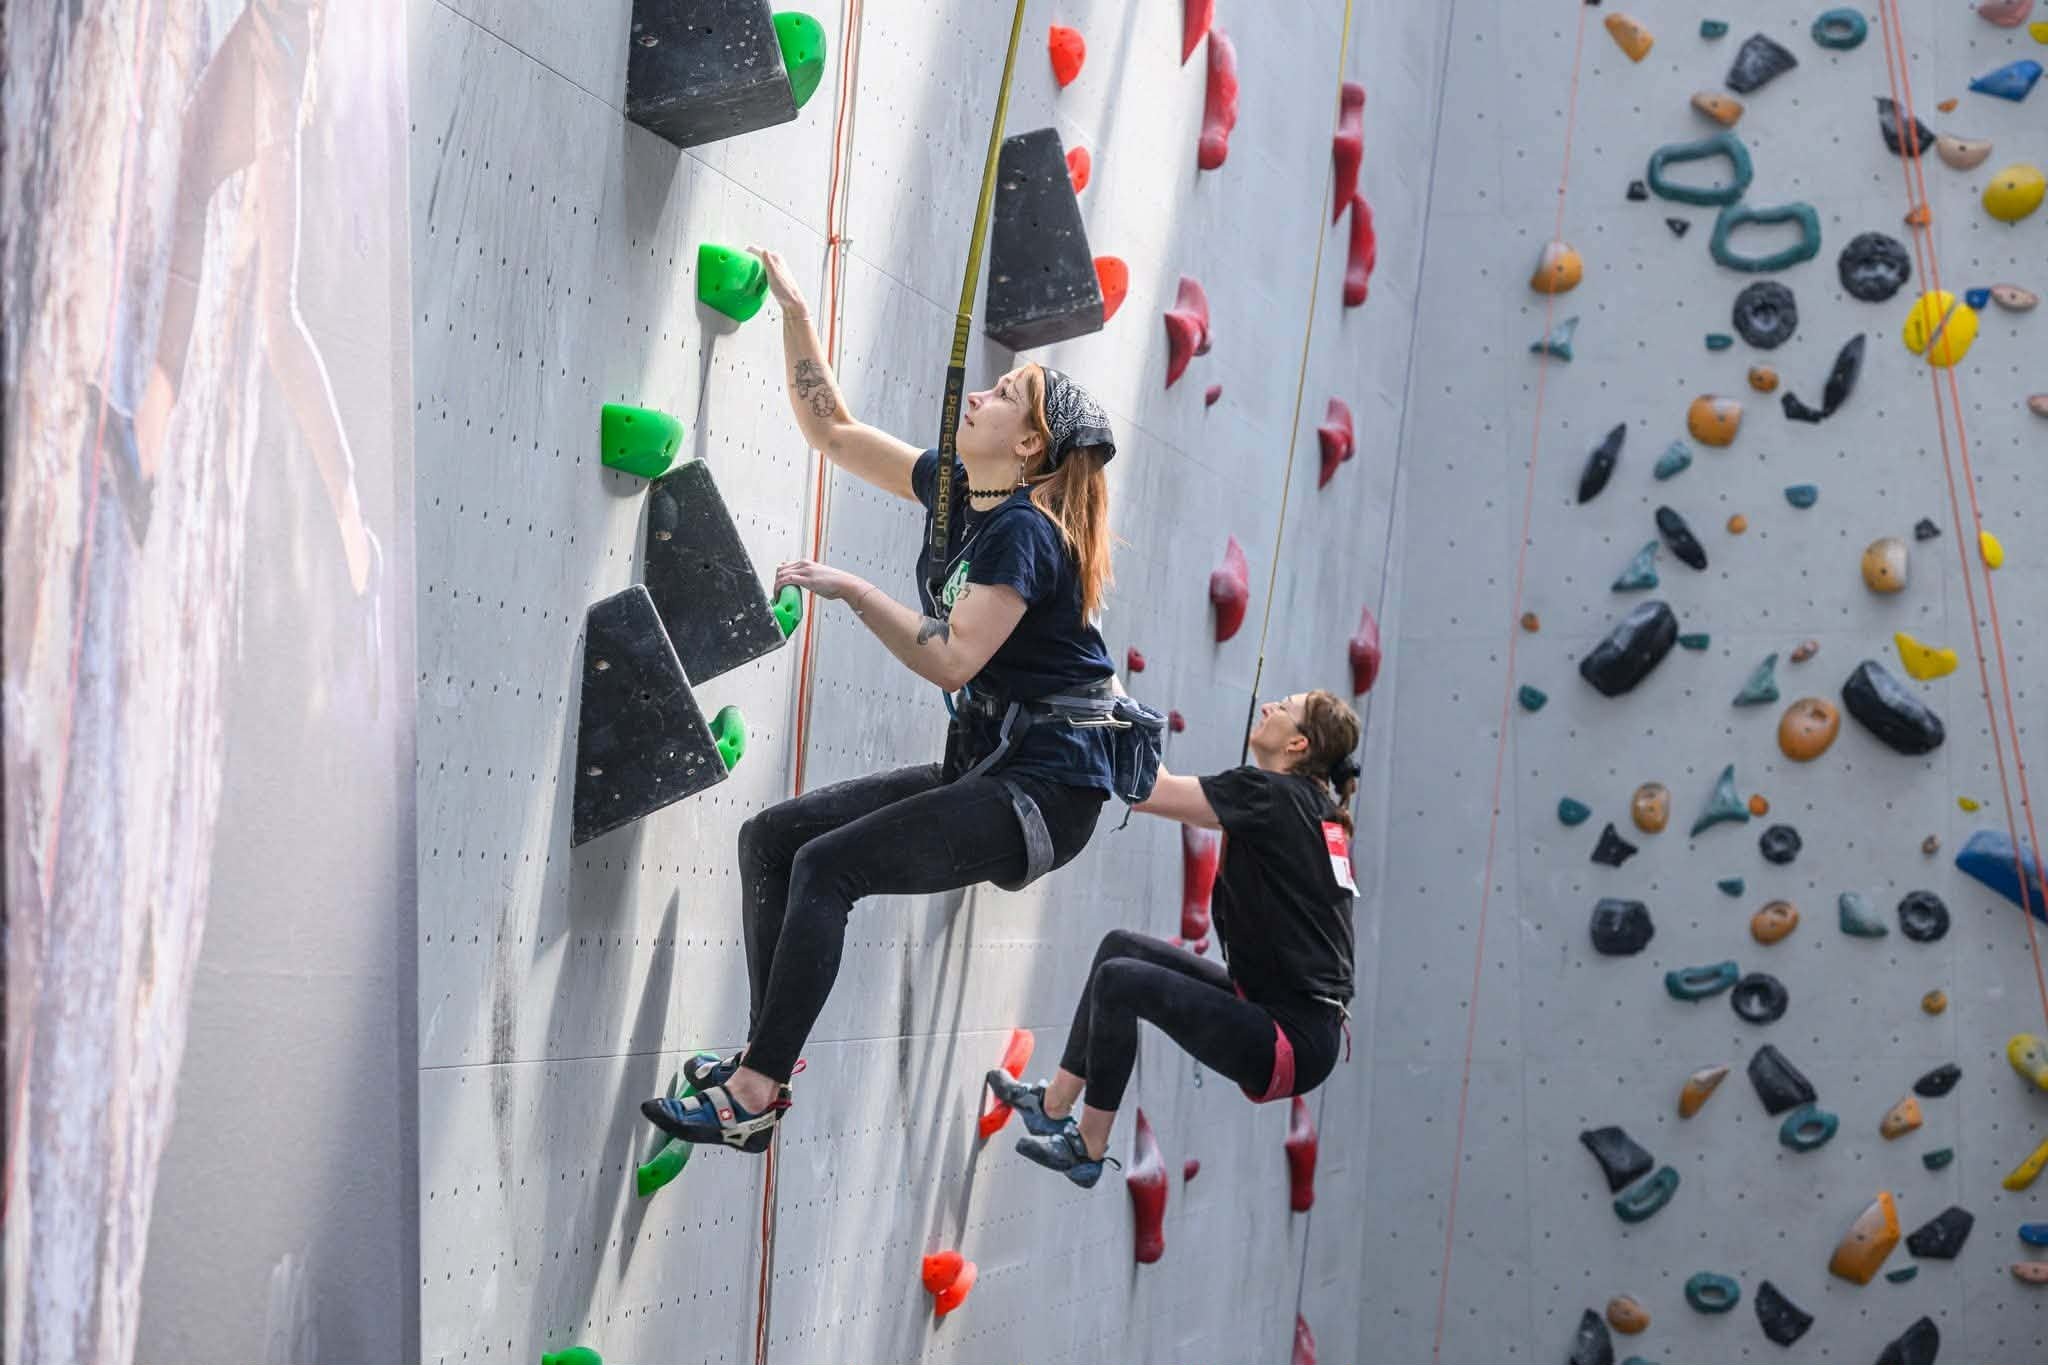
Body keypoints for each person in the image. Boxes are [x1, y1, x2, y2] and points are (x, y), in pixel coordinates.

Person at [643, 246, 1125, 1152]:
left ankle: (752, 1090)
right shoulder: (959, 489)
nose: (980, 394)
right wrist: (796, 315)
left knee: (831, 866)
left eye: (1004, 395)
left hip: (1044, 793)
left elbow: (953, 660)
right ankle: (762, 1072)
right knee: (774, 841)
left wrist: (854, 589)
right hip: (989, 763)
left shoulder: (1024, 534)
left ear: (1029, 446)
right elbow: (833, 432)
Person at [987, 690, 1362, 1186]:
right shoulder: (1313, 808)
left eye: (1284, 708)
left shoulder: (1272, 797)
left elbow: (1151, 793)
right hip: (1293, 1017)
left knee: (1121, 982)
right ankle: (1052, 1105)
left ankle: (1088, 1149)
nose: (1268, 706)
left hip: (1291, 1036)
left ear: (1297, 744)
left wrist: (1108, 690)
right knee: (1120, 948)